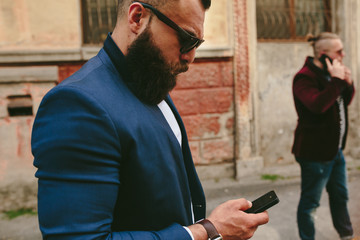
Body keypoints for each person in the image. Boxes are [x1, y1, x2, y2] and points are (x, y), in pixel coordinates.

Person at [31, 0, 269, 239]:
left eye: (197, 44)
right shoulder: (77, 104)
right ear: (137, 18)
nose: (190, 57)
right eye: (186, 39)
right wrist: (205, 231)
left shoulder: (149, 78)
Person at [292, 32, 355, 240]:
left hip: (335, 150)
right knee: (310, 204)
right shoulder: (304, 78)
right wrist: (337, 82)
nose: (343, 55)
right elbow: (318, 105)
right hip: (314, 153)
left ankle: (346, 235)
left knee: (340, 196)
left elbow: (343, 101)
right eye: (338, 51)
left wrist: (347, 82)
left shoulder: (330, 73)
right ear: (323, 54)